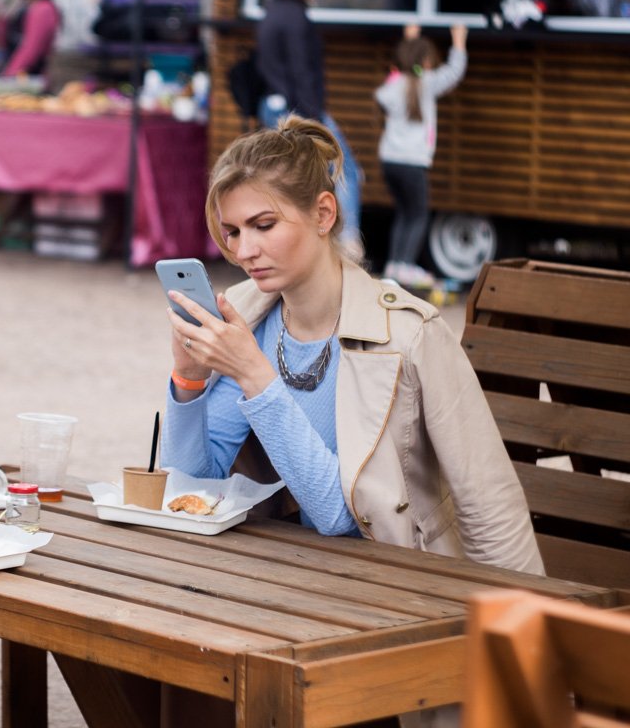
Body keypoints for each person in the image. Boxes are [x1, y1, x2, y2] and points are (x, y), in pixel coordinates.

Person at [160, 116, 543, 578]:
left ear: (324, 214)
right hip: (282, 581)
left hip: (395, 586)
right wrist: (188, 380)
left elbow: (349, 516)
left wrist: (532, 627)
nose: (244, 251)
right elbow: (190, 488)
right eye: (233, 232)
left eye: (263, 225)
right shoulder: (247, 316)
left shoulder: (409, 334)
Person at [255, 0, 364, 261]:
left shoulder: (271, 13)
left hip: (273, 108)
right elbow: (303, 72)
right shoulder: (296, 18)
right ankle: (348, 243)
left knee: (286, 181)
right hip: (301, 110)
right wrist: (315, 119)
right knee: (345, 169)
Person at [376, 24, 468, 288]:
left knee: (404, 213)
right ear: (427, 61)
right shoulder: (427, 83)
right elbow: (454, 72)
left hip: (390, 161)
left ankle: (395, 265)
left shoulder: (395, 83)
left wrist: (410, 40)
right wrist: (459, 41)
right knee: (417, 214)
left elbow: (394, 79)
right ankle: (404, 266)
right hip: (413, 163)